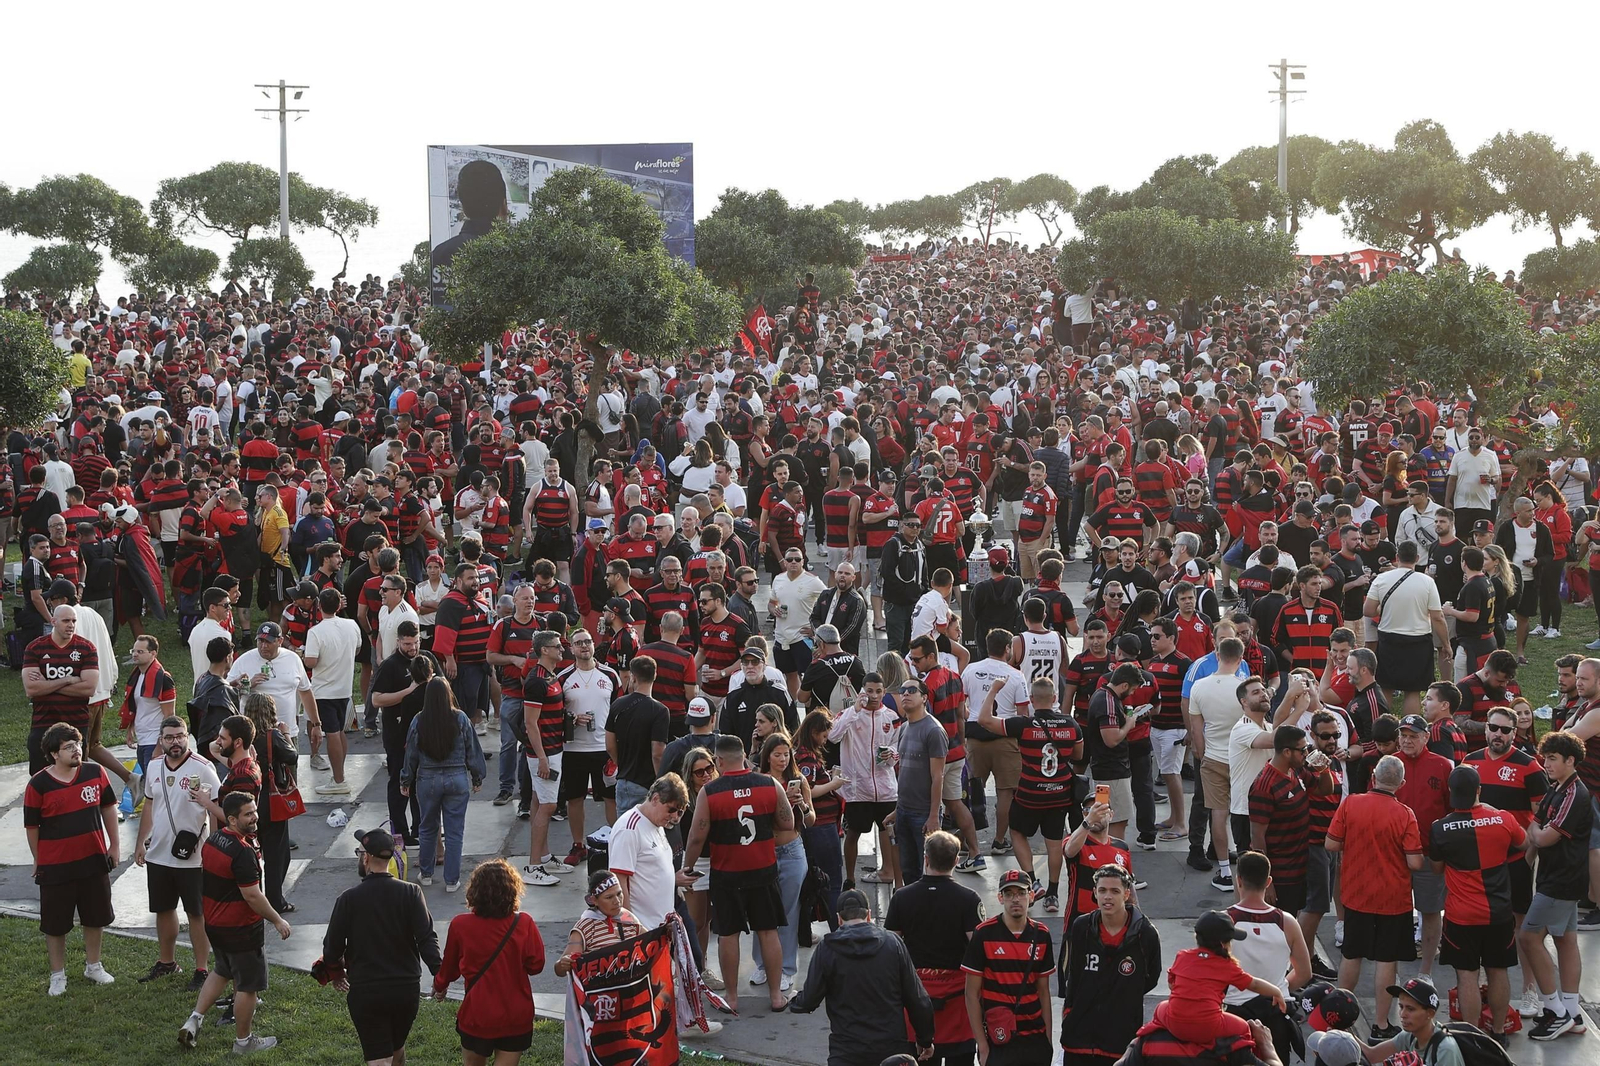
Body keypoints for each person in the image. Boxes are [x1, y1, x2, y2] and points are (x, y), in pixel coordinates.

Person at [680, 734, 796, 1013]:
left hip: (726, 872)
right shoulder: (769, 784)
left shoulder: (711, 792)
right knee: (768, 932)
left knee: (728, 934)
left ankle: (732, 998)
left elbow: (697, 836)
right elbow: (788, 822)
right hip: (762, 870)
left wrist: (687, 867)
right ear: (744, 756)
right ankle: (776, 997)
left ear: (719, 761)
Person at [178, 792, 291, 1053]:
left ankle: (194, 1020)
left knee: (222, 971)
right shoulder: (242, 852)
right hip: (240, 929)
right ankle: (243, 1041)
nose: (255, 818)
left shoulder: (214, 840)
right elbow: (252, 895)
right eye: (248, 814)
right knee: (248, 986)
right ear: (231, 819)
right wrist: (277, 920)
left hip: (214, 925)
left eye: (254, 812)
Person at [1325, 754, 1425, 1041]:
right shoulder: (1405, 814)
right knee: (1386, 961)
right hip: (1393, 900)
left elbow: (1331, 843)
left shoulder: (1351, 803)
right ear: (1401, 783)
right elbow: (1416, 863)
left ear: (1373, 777)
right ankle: (1381, 1025)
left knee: (1351, 955)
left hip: (1356, 895)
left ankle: (1338, 1019)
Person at [322, 827, 443, 1066]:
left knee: (379, 1058)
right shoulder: (411, 892)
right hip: (406, 989)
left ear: (365, 857)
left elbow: (332, 947)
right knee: (395, 1046)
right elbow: (427, 938)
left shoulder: (348, 899)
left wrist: (335, 973)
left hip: (368, 990)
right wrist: (440, 975)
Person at [1428, 763, 1525, 1045]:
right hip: (1499, 913)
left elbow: (1436, 869)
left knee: (1467, 975)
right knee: (1498, 970)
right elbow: (1525, 842)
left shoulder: (1440, 828)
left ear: (1450, 791)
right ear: (1479, 790)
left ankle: (1470, 1037)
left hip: (1462, 916)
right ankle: (1498, 1031)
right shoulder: (1503, 819)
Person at [24, 722, 119, 997]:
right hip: (56, 866)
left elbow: (108, 808)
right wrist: (38, 859)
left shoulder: (95, 772)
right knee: (55, 923)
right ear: (54, 753)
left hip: (93, 860)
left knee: (95, 916)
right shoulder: (38, 784)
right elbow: (32, 828)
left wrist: (114, 846)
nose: (77, 750)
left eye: (77, 744)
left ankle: (94, 965)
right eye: (69, 747)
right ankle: (57, 975)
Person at [792, 887, 936, 1066]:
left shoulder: (827, 948)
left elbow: (809, 999)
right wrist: (925, 1039)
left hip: (846, 1051)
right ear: (869, 915)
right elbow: (917, 999)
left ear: (839, 919)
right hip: (891, 1049)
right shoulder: (893, 944)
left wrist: (795, 1001)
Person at [133, 715, 219, 989]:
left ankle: (202, 968)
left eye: (180, 735)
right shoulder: (154, 766)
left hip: (194, 857)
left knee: (196, 912)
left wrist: (215, 849)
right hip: (159, 853)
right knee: (163, 908)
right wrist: (140, 842)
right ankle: (167, 962)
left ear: (187, 737)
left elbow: (215, 808)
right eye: (169, 737)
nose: (175, 742)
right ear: (161, 740)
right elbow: (149, 805)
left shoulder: (203, 768)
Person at [435, 858, 547, 1066]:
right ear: (512, 890)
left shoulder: (460, 924)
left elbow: (449, 967)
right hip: (516, 1015)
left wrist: (440, 986)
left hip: (478, 1014)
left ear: (474, 891)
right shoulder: (524, 923)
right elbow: (536, 966)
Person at [884, 831, 982, 1064]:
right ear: (956, 861)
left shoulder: (902, 897)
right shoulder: (969, 899)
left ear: (925, 858)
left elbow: (891, 946)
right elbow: (978, 947)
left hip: (916, 995)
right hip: (958, 1000)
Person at [1520, 729, 1593, 1040]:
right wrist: (1538, 829)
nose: (1546, 763)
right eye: (1545, 757)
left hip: (1562, 881)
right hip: (1557, 877)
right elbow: (1537, 823)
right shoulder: (1556, 787)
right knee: (1565, 940)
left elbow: (1544, 835)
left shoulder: (1576, 794)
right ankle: (1573, 1010)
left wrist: (1537, 831)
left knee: (1528, 937)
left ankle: (1555, 1009)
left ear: (1570, 760)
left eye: (1552, 758)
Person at [1059, 863, 1162, 1066]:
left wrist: (1122, 998)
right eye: (1102, 890)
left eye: (1114, 891)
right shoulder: (1081, 927)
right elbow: (1073, 975)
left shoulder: (1146, 934)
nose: (1108, 897)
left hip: (1120, 1039)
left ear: (1126, 894)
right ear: (1095, 893)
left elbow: (1150, 978)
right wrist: (1070, 1013)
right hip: (1078, 1038)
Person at [1147, 909, 1286, 1056]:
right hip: (1208, 1027)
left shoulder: (1182, 956)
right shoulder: (1226, 966)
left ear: (1197, 936)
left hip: (1175, 1025)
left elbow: (1172, 985)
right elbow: (1255, 984)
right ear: (1223, 944)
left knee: (1161, 1007)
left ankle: (1148, 1038)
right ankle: (1246, 1059)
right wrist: (1276, 991)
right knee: (1244, 1027)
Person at [401, 678, 487, 892]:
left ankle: (427, 874)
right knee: (454, 831)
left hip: (427, 779)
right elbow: (472, 749)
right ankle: (451, 880)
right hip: (457, 777)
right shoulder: (460, 718)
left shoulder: (419, 720)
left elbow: (410, 753)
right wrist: (477, 776)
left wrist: (406, 779)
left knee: (427, 828)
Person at [1224, 852, 1312, 1061]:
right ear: (1269, 881)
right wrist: (1277, 989)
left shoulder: (1224, 921)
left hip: (1234, 1015)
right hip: (1275, 1015)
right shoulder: (1287, 922)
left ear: (1239, 880)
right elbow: (1304, 973)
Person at [963, 869, 1055, 1066]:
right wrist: (983, 1045)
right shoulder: (984, 933)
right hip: (999, 1038)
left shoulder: (1042, 935)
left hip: (1035, 1038)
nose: (1016, 899)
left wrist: (1048, 1039)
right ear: (1000, 897)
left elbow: (1043, 991)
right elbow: (971, 994)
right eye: (1009, 894)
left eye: (1021, 893)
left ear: (1031, 896)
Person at [829, 674, 903, 888]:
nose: (874, 696)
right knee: (853, 833)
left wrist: (892, 755)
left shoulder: (891, 716)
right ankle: (849, 879)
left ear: (884, 692)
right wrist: (854, 711)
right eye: (869, 691)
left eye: (878, 691)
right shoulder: (849, 714)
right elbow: (833, 736)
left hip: (886, 788)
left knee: (891, 834)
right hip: (857, 789)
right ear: (862, 691)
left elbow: (898, 745)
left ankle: (896, 880)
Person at [557, 629, 622, 865]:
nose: (584, 646)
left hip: (604, 748)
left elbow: (619, 710)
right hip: (574, 749)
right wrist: (572, 717)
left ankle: (617, 842)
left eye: (587, 641)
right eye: (578, 643)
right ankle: (578, 845)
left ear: (594, 645)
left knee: (611, 798)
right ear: (571, 648)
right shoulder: (563, 677)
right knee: (574, 798)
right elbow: (554, 711)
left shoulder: (610, 675)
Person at [1363, 540, 1450, 715]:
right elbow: (1437, 617)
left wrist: (1384, 608)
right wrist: (1446, 644)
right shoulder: (1427, 582)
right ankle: (1411, 730)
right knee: (1413, 691)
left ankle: (1385, 728)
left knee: (1386, 687)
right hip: (1418, 640)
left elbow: (1368, 610)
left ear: (1397, 557)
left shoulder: (1381, 579)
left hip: (1388, 638)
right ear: (1417, 558)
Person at [369, 621, 433, 846]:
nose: (412, 648)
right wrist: (409, 691)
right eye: (407, 644)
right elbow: (376, 699)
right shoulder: (390, 665)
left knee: (421, 784)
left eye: (415, 642)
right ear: (398, 642)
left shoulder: (426, 658)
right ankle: (399, 832)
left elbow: (442, 686)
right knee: (399, 783)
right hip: (397, 735)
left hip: (425, 734)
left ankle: (421, 829)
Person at [21, 604, 102, 774]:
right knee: (40, 776)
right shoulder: (35, 648)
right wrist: (68, 680)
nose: (71, 625)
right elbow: (31, 689)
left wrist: (48, 684)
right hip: (43, 723)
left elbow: (88, 689)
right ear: (53, 621)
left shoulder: (86, 648)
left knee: (75, 776)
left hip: (76, 723)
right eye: (66, 621)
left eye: (74, 621)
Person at [304, 587, 362, 796]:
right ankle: (340, 774)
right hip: (345, 689)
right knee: (339, 732)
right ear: (339, 606)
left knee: (332, 733)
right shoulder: (351, 625)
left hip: (323, 691)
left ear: (319, 606)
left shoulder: (316, 632)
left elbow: (311, 661)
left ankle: (339, 780)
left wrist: (301, 654)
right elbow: (357, 649)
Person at [226, 621, 318, 752]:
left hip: (287, 733)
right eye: (260, 641)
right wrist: (248, 685)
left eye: (268, 642)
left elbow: (306, 691)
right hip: (253, 736)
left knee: (290, 771)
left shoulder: (293, 659)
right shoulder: (244, 660)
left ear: (280, 641)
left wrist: (316, 724)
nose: (263, 646)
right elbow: (226, 692)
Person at [1355, 975, 1465, 1066]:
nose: (1402, 1015)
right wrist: (1342, 1029)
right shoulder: (1410, 1036)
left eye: (1410, 1009)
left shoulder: (1445, 1050)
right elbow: (1371, 1055)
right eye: (1401, 1007)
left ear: (1430, 1013)